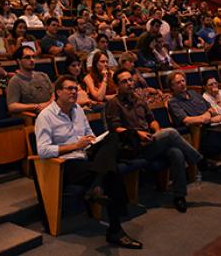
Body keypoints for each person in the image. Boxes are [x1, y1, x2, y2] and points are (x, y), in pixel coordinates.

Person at [35, 75, 143, 249]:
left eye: (75, 89)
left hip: (86, 155)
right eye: (69, 89)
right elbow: (43, 150)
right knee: (111, 173)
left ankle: (96, 187)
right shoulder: (45, 116)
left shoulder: (77, 109)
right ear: (57, 92)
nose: (73, 92)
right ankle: (115, 230)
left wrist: (92, 139)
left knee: (113, 137)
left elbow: (89, 132)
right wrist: (75, 145)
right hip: (65, 164)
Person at [105, 68, 203, 212]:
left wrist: (157, 131)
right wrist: (138, 134)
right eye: (124, 81)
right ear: (117, 85)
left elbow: (152, 120)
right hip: (133, 146)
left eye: (130, 80)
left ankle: (179, 196)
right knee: (170, 132)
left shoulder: (139, 100)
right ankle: (199, 161)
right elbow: (115, 129)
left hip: (150, 142)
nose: (129, 84)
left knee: (176, 152)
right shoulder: (114, 103)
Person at [7, 46, 53, 114]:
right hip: (35, 115)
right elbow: (12, 106)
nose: (32, 60)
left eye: (33, 57)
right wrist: (36, 106)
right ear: (19, 61)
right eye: (27, 57)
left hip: (52, 111)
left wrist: (48, 103)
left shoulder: (43, 75)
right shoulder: (15, 81)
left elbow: (54, 93)